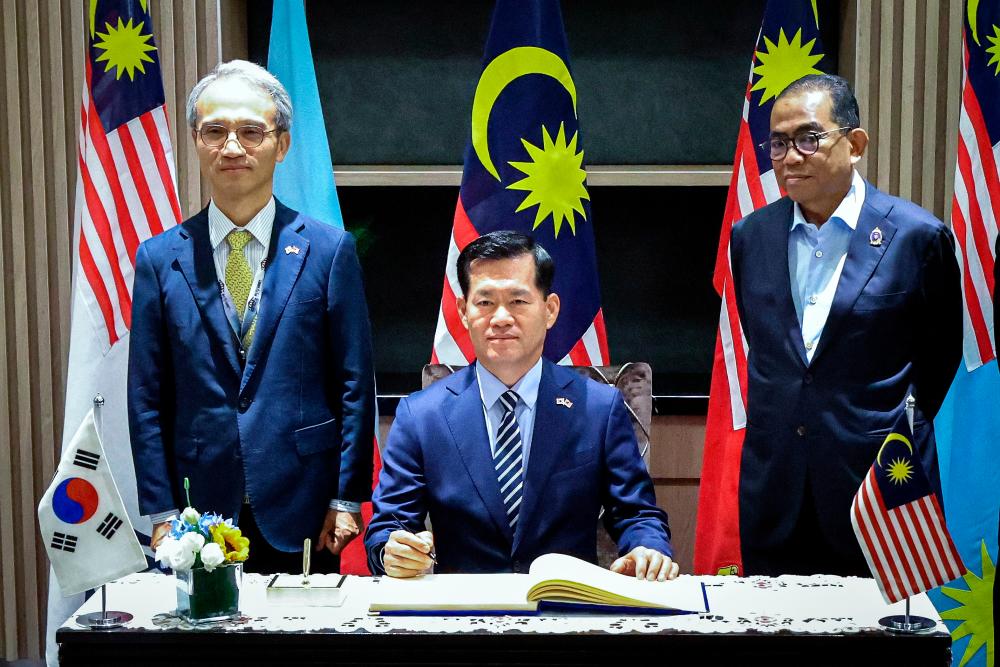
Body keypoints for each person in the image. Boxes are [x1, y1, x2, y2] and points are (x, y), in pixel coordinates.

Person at [128, 60, 375, 574]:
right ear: (196, 142)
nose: (232, 147)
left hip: (304, 507)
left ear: (280, 145)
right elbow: (146, 397)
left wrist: (346, 498)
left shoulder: (329, 252)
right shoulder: (159, 259)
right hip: (196, 517)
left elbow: (354, 383)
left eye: (250, 131)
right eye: (214, 131)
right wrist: (160, 509)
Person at [730, 74, 962, 576]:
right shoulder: (751, 237)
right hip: (776, 488)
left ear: (855, 144)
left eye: (809, 139)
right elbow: (773, 351)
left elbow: (939, 360)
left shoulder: (917, 237)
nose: (790, 157)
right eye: (778, 143)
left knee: (886, 649)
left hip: (880, 488)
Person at [365, 231, 676, 580]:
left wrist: (648, 548)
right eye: (484, 302)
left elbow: (636, 513)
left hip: (568, 614)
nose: (500, 318)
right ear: (463, 312)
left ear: (550, 310)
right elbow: (389, 525)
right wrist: (391, 552)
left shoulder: (599, 408)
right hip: (460, 619)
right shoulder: (421, 415)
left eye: (518, 301)